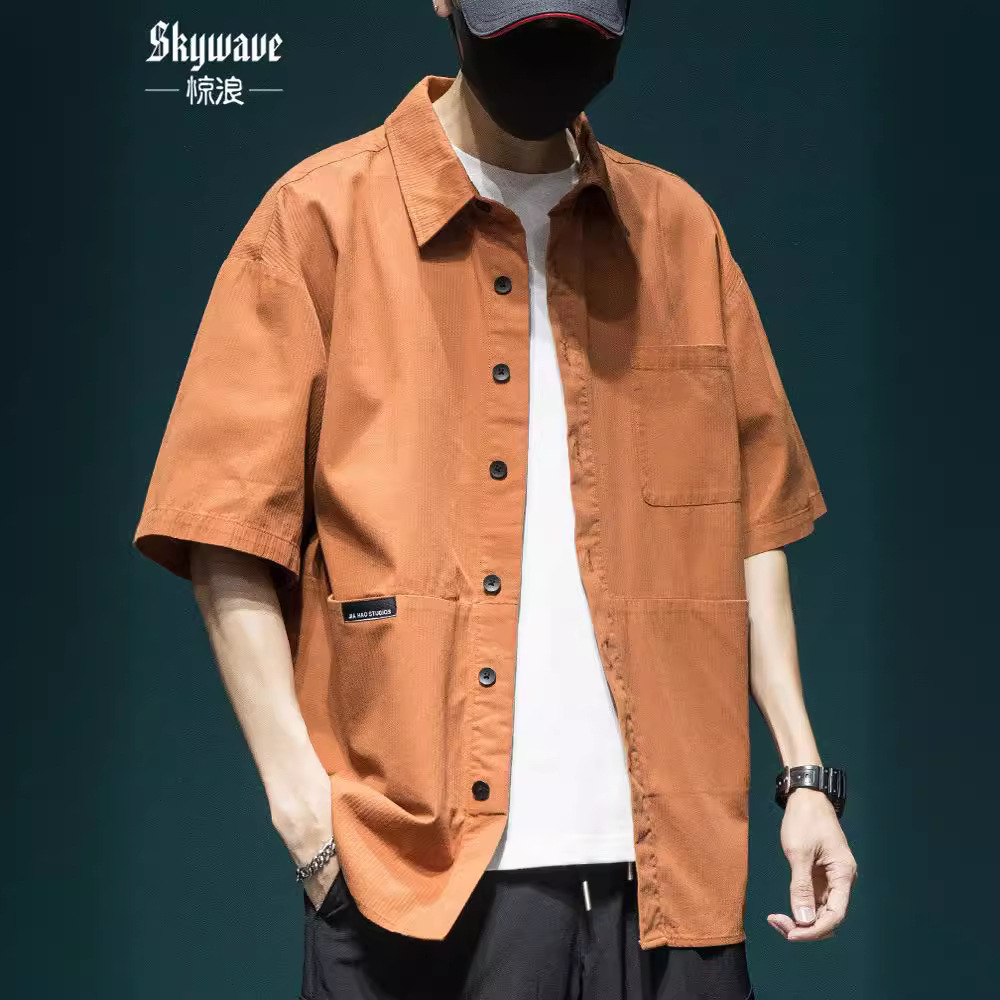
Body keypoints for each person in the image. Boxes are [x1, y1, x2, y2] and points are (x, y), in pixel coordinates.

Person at [132, 2, 858, 997]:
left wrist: (804, 776)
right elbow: (223, 532)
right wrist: (303, 813)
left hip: (672, 879)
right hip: (417, 887)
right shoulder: (322, 218)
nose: (547, 49)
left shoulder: (679, 232)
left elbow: (750, 521)